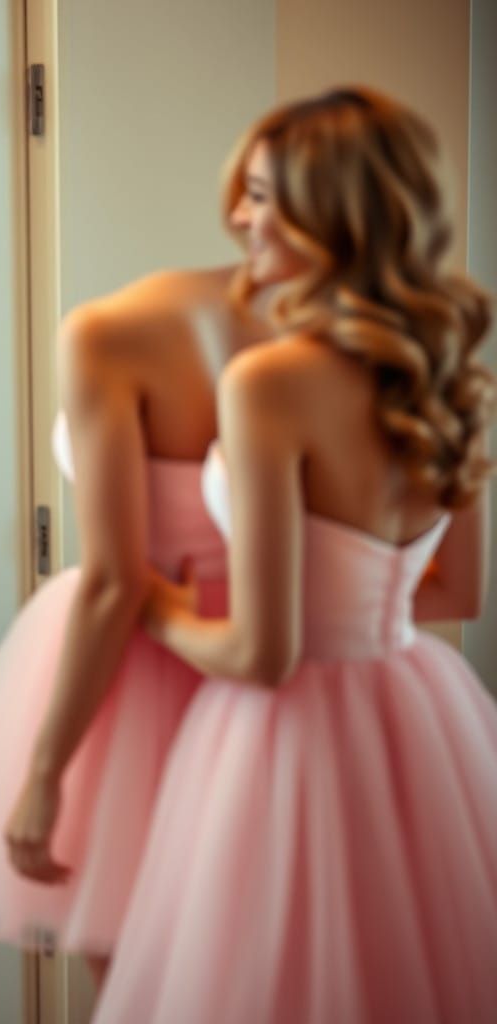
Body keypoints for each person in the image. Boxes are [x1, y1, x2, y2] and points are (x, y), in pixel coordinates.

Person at [95, 86, 497, 1024]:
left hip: (288, 738)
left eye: (264, 196)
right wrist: (349, 606)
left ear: (336, 213)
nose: (239, 217)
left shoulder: (271, 382)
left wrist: (153, 601)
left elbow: (261, 654)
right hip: (417, 714)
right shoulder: (452, 376)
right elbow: (457, 593)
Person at [0, 209, 276, 981]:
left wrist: (45, 773)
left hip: (140, 656)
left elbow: (118, 583)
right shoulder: (356, 342)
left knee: (134, 974)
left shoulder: (122, 330)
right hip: (282, 646)